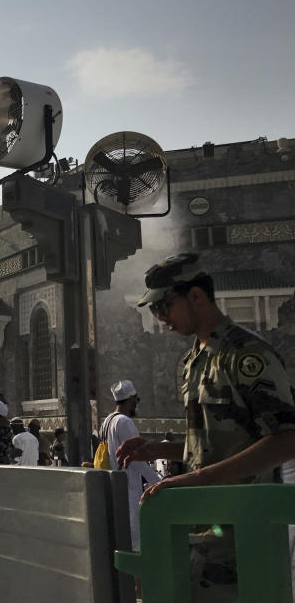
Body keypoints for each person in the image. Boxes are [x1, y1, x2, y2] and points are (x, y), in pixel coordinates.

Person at [117, 253, 295, 601]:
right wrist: (160, 449)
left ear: (196, 296)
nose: (161, 318)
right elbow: (217, 438)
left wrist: (196, 479)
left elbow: (286, 439)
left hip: (245, 536)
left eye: (164, 306)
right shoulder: (192, 360)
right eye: (155, 311)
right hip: (200, 533)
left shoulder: (244, 355)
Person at [99, 380, 159, 551]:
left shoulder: (107, 421)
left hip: (115, 487)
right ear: (131, 399)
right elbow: (137, 459)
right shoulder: (124, 422)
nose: (136, 403)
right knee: (136, 541)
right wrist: (157, 481)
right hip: (130, 489)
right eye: (136, 399)